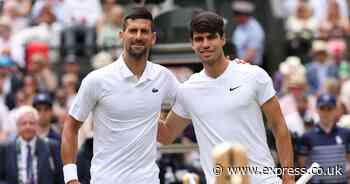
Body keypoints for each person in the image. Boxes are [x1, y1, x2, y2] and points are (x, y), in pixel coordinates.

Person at [157, 11, 294, 184]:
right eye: (199, 39)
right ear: (192, 44)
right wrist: (138, 108)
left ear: (222, 39)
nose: (205, 44)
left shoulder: (253, 75)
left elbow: (279, 126)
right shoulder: (188, 90)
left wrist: (288, 176)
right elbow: (166, 136)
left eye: (211, 37)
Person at [61, 7, 179, 184]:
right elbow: (70, 128)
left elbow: (193, 97)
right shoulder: (96, 79)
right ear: (121, 35)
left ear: (153, 38)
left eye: (144, 31)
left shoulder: (164, 77)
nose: (138, 36)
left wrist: (231, 67)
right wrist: (70, 178)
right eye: (133, 31)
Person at [0, 106, 64, 184]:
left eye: (32, 123)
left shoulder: (52, 147)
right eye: (24, 123)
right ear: (17, 126)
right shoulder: (5, 148)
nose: (28, 126)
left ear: (37, 125)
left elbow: (60, 178)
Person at [298, 93, 350, 184]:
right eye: (322, 108)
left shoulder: (346, 133)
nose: (326, 112)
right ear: (317, 110)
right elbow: (303, 166)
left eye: (329, 109)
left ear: (335, 110)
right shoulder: (307, 136)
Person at [231, 1, 265, 66]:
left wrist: (237, 65)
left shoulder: (255, 28)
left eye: (237, 14)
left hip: (252, 66)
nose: (235, 17)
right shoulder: (240, 27)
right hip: (241, 64)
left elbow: (251, 53)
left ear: (244, 15)